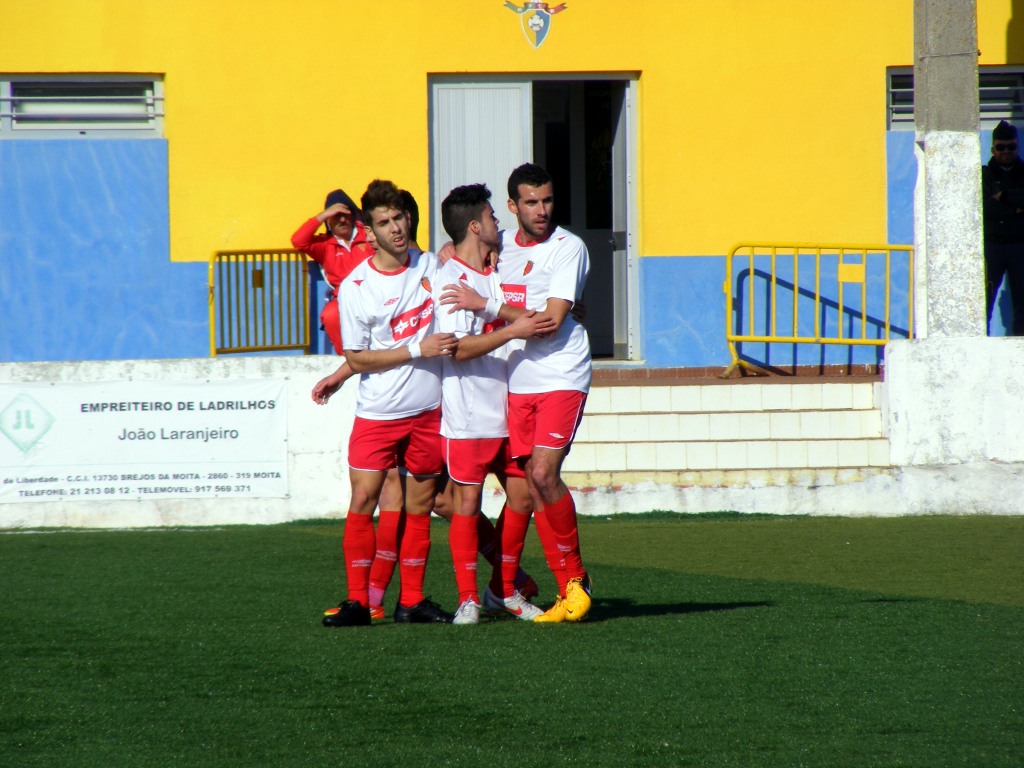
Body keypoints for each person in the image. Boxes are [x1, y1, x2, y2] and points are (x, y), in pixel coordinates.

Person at [441, 162, 593, 623]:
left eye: (547, 200)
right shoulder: (499, 244)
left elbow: (549, 323)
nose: (541, 210)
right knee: (528, 487)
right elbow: (456, 248)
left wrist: (485, 304)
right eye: (531, 202)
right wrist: (447, 253)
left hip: (561, 374)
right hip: (516, 380)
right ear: (513, 206)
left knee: (543, 474)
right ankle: (528, 589)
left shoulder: (569, 247)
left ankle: (575, 579)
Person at [321, 179, 457, 627]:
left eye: (399, 217)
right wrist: (417, 349)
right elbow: (358, 357)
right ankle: (358, 602)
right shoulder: (356, 286)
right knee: (363, 499)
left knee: (420, 505)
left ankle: (411, 601)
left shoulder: (432, 266)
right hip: (378, 414)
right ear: (369, 230)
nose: (396, 228)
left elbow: (474, 272)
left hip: (428, 412)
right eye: (384, 222)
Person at [433, 183, 557, 624]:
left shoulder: (497, 270)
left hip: (511, 408)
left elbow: (531, 305)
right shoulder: (449, 281)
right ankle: (467, 598)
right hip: (468, 414)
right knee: (466, 505)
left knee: (522, 497)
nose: (497, 222)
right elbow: (456, 349)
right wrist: (512, 330)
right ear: (474, 226)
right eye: (490, 216)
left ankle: (503, 590)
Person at [291, 189, 375, 356]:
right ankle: (348, 359)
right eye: (336, 216)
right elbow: (298, 241)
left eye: (346, 214)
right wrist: (323, 215)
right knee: (330, 315)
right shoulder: (325, 245)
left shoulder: (368, 235)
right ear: (328, 220)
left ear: (353, 215)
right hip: (344, 298)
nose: (342, 220)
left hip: (375, 293)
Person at [982, 121, 1024, 336]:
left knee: (1022, 303)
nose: (1006, 151)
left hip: (1020, 247)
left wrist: (1005, 196)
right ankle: (980, 344)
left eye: (1011, 146)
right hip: (992, 247)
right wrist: (1016, 209)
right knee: (983, 300)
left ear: (1018, 147)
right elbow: (984, 209)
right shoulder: (983, 175)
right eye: (1001, 147)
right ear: (993, 149)